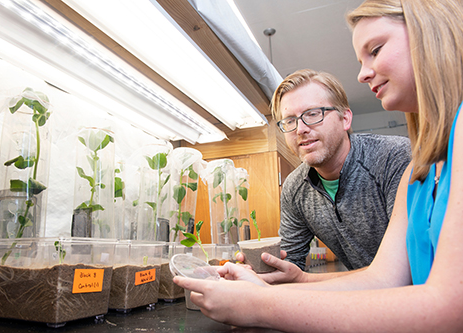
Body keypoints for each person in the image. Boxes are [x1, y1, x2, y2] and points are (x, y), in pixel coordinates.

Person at [173, 0, 463, 331]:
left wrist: (259, 304)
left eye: (377, 49)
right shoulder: (421, 168)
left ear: (346, 119)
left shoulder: (399, 159)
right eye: (290, 121)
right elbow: (381, 278)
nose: (363, 73)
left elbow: (445, 304)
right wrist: (264, 284)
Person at [270, 69, 411, 276]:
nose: (300, 129)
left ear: (345, 119)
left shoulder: (393, 158)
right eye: (290, 120)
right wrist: (262, 269)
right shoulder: (294, 188)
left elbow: (403, 273)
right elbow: (289, 263)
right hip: (366, 296)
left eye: (312, 114)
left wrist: (303, 280)